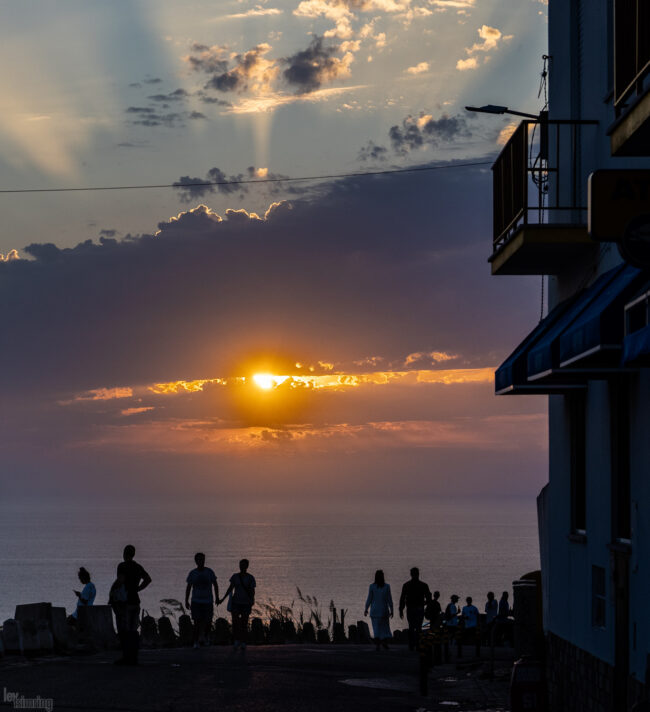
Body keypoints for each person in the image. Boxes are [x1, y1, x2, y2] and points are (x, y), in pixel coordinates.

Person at [114, 544, 152, 666]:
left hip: (125, 602)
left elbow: (120, 582)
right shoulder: (137, 567)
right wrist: (138, 588)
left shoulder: (122, 566)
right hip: (135, 601)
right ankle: (134, 657)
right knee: (133, 630)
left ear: (124, 553)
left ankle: (126, 656)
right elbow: (148, 579)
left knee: (124, 631)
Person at [219, 559, 255, 653]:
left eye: (243, 565)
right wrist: (223, 599)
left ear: (247, 566)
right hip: (236, 603)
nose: (241, 567)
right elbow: (230, 588)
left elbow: (252, 591)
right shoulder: (235, 577)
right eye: (240, 565)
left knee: (244, 623)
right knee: (235, 622)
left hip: (246, 603)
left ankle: (243, 641)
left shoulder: (251, 578)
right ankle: (236, 640)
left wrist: (252, 601)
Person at [185, 552, 219, 648]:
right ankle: (196, 641)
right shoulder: (192, 573)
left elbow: (215, 584)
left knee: (208, 621)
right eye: (199, 560)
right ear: (196, 561)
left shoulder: (209, 572)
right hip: (196, 601)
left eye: (203, 559)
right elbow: (188, 587)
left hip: (208, 601)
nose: (201, 561)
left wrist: (217, 597)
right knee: (196, 622)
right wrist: (186, 600)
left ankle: (206, 637)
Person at [399, 567, 432, 651]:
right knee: (418, 628)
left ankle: (411, 645)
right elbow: (429, 598)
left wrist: (401, 609)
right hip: (419, 608)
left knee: (411, 626)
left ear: (411, 574)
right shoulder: (424, 585)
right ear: (418, 574)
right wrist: (426, 604)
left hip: (410, 608)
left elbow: (402, 598)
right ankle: (418, 644)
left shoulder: (406, 585)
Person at [364, 570, 393, 651]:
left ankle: (378, 645)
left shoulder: (372, 587)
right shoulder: (387, 586)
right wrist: (392, 609)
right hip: (384, 611)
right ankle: (384, 642)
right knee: (385, 628)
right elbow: (389, 599)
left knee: (376, 628)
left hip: (374, 611)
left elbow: (369, 599)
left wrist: (366, 609)